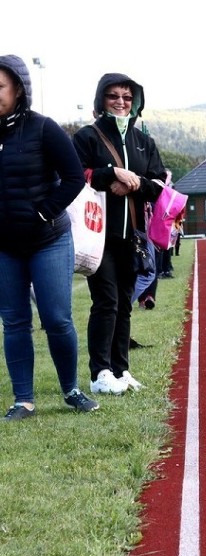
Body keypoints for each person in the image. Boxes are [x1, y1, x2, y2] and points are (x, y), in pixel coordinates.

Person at [0, 55, 99, 419]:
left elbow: (75, 178)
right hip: (5, 248)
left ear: (19, 89)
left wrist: (44, 211)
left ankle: (71, 390)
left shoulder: (44, 129)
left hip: (48, 241)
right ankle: (23, 399)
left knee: (56, 318)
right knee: (14, 321)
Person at [73, 72, 166, 395]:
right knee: (106, 301)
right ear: (101, 100)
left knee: (124, 303)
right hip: (98, 235)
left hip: (134, 237)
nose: (121, 102)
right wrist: (110, 173)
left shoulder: (145, 142)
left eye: (127, 97)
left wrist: (135, 183)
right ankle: (99, 373)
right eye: (114, 96)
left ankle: (120, 369)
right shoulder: (87, 137)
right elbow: (75, 176)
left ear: (135, 102)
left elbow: (159, 186)